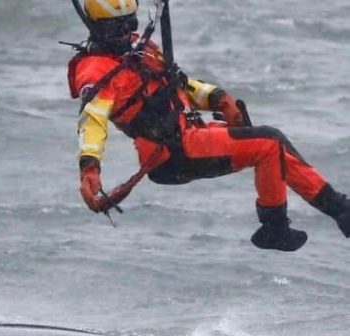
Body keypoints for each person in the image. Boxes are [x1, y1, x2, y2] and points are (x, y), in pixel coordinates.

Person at [68, 0, 350, 251]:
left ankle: (341, 210)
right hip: (172, 154)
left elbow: (176, 84)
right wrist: (89, 165)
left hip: (192, 134)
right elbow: (93, 119)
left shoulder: (140, 50)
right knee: (269, 143)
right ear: (95, 26)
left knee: (278, 147)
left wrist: (216, 98)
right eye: (114, 26)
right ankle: (274, 228)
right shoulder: (95, 69)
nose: (123, 32)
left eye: (128, 23)